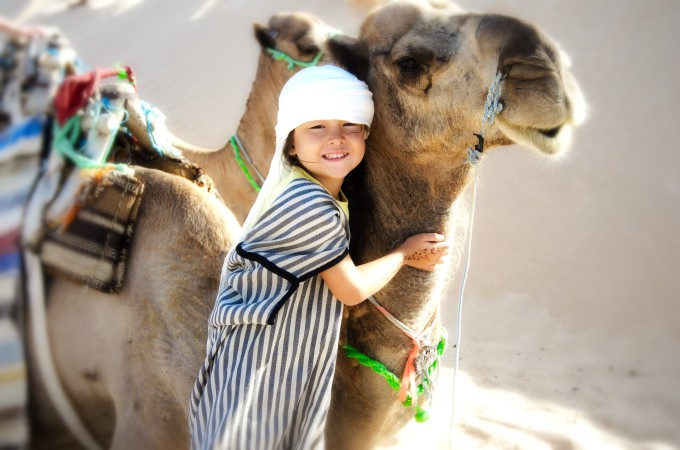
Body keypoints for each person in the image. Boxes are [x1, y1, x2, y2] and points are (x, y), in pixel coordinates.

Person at [189, 65, 448, 450]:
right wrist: (404, 253)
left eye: (349, 124)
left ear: (365, 133)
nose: (336, 138)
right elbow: (351, 289)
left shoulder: (316, 192)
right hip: (260, 368)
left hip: (277, 358)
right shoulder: (309, 205)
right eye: (317, 127)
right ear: (291, 143)